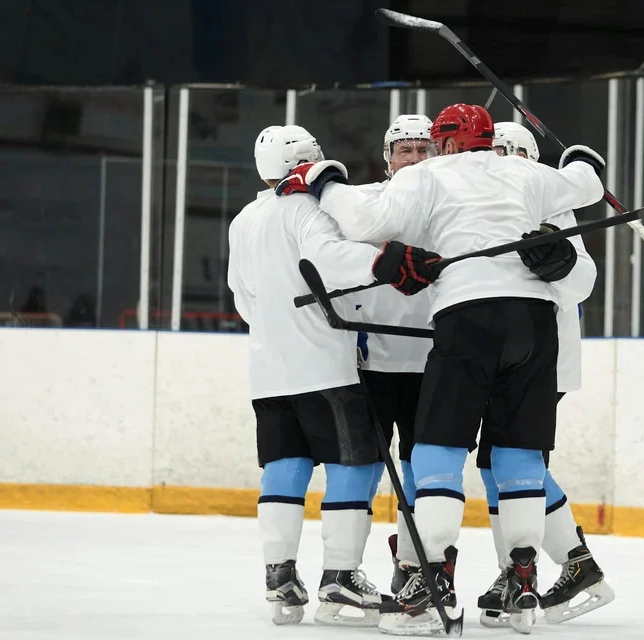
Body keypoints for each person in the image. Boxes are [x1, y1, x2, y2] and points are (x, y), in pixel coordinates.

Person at [274, 103, 604, 635]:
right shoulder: (527, 174)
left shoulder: (430, 175)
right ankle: (522, 583)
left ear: (444, 143)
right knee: (518, 453)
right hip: (536, 325)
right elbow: (584, 186)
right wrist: (586, 160)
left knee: (436, 451)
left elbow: (361, 219)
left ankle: (429, 586)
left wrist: (327, 182)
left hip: (469, 319)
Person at [226, 124, 441, 627]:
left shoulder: (246, 218)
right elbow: (330, 258)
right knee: (356, 466)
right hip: (325, 367)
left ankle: (279, 577)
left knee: (285, 466)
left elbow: (243, 296)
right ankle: (340, 579)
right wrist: (389, 260)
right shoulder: (307, 210)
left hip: (268, 372)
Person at [475, 121, 615, 627]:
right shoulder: (485, 203)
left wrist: (560, 262)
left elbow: (583, 281)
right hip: (499, 358)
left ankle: (535, 570)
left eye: (517, 151)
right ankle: (559, 566)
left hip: (540, 363)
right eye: (499, 151)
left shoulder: (552, 204)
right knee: (499, 464)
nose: (508, 158)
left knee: (512, 464)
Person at [350, 114, 436, 594]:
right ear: (388, 158)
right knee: (361, 471)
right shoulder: (364, 205)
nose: (416, 158)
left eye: (425, 149)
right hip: (373, 364)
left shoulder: (452, 204)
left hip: (432, 363)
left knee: (423, 473)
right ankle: (344, 570)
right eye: (406, 150)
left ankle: (413, 565)